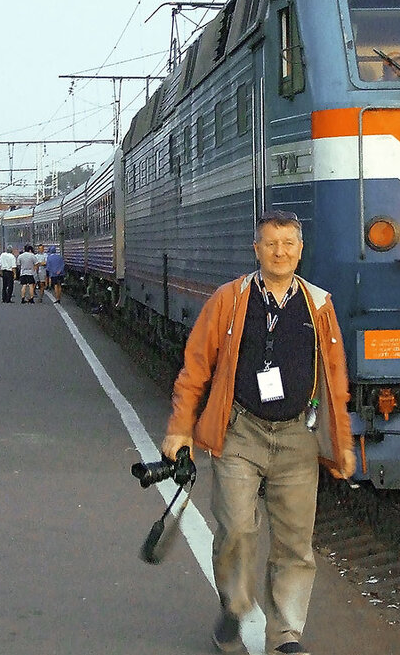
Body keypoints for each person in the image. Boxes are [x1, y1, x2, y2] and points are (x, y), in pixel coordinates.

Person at [161, 210, 355, 655]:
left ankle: (286, 635)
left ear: (300, 250)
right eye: (271, 243)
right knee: (236, 528)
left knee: (294, 543)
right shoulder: (230, 300)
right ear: (257, 250)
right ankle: (233, 607)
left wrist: (341, 442)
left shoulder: (319, 305)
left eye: (288, 244)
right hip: (240, 432)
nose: (280, 252)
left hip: (296, 435)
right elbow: (196, 367)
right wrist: (180, 429)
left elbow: (335, 378)